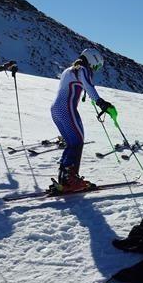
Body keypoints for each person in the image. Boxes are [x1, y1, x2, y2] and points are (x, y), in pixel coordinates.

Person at [49, 48, 117, 193]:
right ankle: (70, 180)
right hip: (66, 109)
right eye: (97, 66)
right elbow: (89, 86)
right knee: (77, 142)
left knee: (72, 143)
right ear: (93, 61)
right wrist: (101, 102)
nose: (95, 69)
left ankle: (65, 178)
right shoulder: (82, 69)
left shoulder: (70, 69)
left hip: (56, 109)